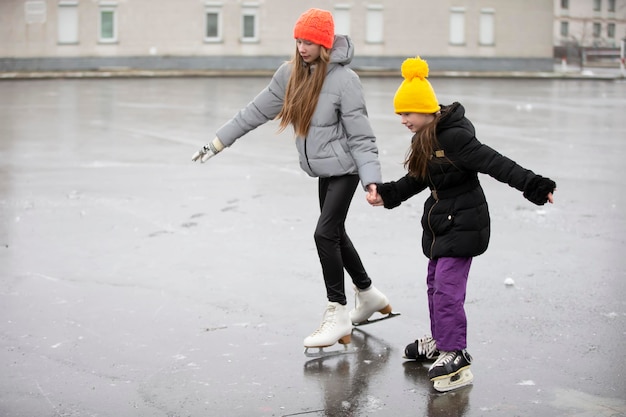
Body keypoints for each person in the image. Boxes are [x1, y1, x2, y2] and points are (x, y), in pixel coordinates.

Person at [191, 8, 394, 351]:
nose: (302, 47)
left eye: (310, 41)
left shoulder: (346, 80)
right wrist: (218, 141)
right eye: (299, 39)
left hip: (345, 170)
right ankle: (370, 294)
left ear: (325, 43)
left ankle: (338, 311)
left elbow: (362, 137)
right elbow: (254, 112)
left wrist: (371, 179)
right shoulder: (289, 75)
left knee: (324, 233)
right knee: (335, 234)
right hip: (323, 171)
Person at [367, 56, 556, 391]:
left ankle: (456, 352)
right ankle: (441, 341)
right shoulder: (424, 139)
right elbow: (417, 178)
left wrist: (535, 185)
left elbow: (496, 163)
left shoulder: (455, 138)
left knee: (447, 291)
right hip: (441, 224)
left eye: (407, 113)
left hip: (464, 222)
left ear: (425, 110)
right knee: (434, 286)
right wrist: (389, 193)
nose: (402, 120)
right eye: (399, 114)